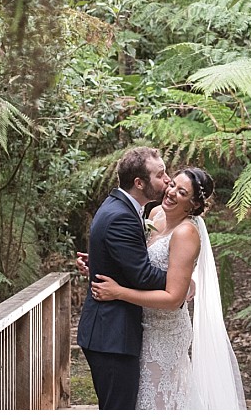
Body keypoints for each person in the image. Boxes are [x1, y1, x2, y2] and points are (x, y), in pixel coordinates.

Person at [90, 167, 246, 410]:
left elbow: (174, 298)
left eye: (181, 192)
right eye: (172, 184)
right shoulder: (155, 213)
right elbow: (135, 261)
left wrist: (118, 292)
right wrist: (97, 262)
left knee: (159, 402)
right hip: (140, 325)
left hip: (166, 332)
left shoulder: (186, 233)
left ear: (193, 204)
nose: (171, 192)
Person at [76, 146, 171, 410]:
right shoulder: (122, 217)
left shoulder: (118, 206)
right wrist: (181, 281)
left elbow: (121, 259)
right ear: (139, 183)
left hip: (110, 332)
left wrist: (97, 262)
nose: (167, 180)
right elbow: (142, 275)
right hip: (112, 336)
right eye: (160, 175)